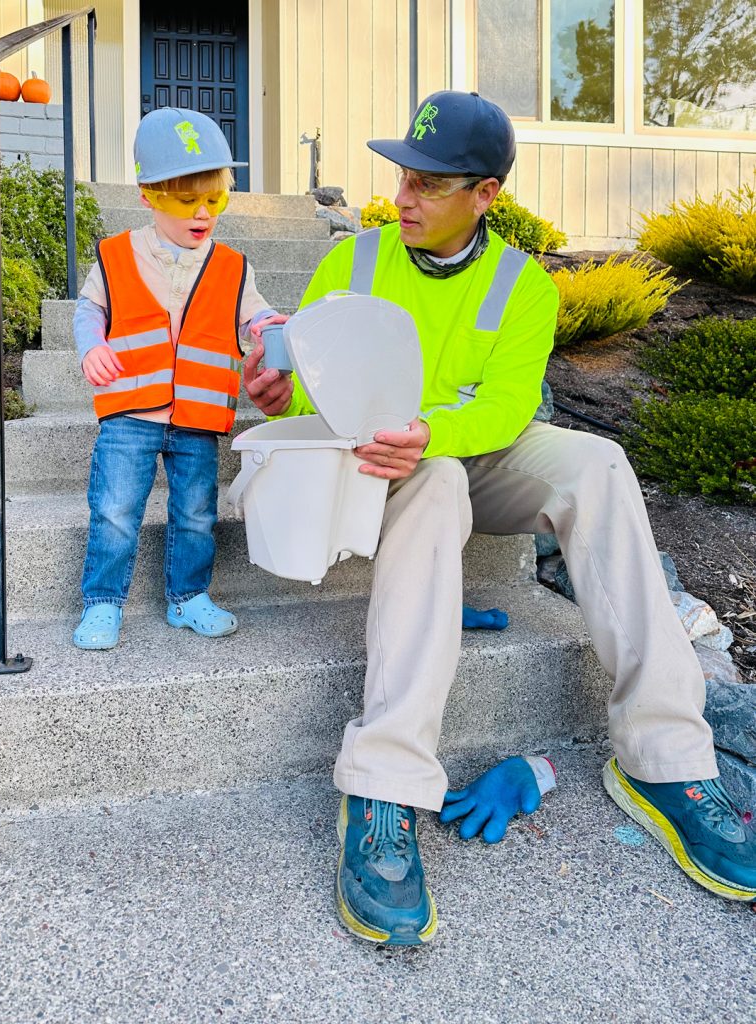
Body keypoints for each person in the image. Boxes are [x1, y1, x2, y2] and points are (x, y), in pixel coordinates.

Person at [244, 90, 756, 944]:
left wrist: (431, 430)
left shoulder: (523, 285)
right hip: (375, 474)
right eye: (402, 176)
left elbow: (511, 405)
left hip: (462, 456)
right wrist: (274, 391)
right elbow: (312, 388)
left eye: (429, 184)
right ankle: (384, 785)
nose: (402, 197)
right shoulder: (352, 263)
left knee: (597, 460)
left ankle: (666, 760)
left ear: (484, 195)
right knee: (435, 478)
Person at [72, 107, 282, 650]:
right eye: (186, 201)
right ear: (148, 195)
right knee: (116, 512)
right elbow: (89, 310)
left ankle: (187, 598)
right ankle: (102, 603)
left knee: (195, 515)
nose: (203, 213)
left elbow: (251, 312)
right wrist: (91, 346)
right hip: (129, 414)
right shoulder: (117, 255)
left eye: (214, 200)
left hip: (197, 417)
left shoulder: (234, 265)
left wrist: (268, 326)